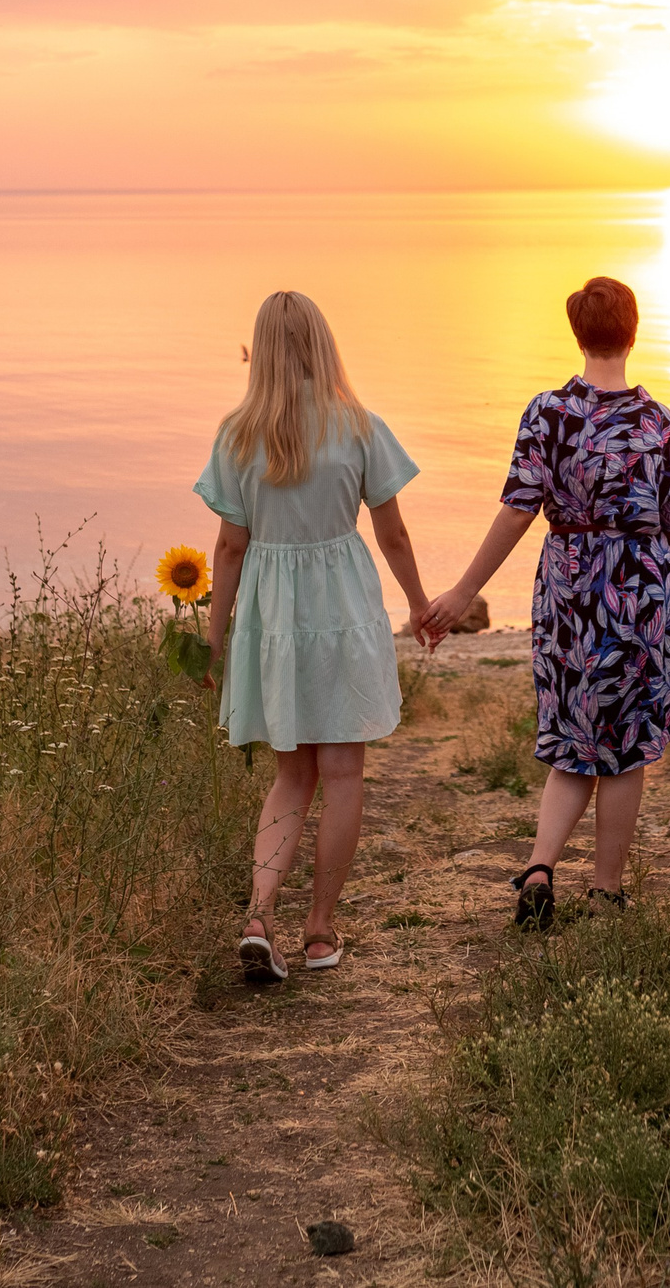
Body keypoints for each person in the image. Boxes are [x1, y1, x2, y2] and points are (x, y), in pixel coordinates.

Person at [420, 276, 670, 926]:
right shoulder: (659, 424)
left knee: (574, 736)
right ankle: (604, 891)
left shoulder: (547, 412)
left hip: (568, 587)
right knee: (625, 750)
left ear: (577, 332)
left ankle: (540, 867)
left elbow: (517, 512)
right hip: (640, 588)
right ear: (634, 329)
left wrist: (464, 589)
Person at [198, 290, 433, 984]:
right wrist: (421, 604)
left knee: (290, 776)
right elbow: (391, 532)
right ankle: (320, 930)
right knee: (343, 773)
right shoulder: (358, 425)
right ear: (323, 344)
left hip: (274, 621)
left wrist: (215, 640)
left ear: (261, 348)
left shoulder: (237, 434)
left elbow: (229, 549)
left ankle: (258, 914)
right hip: (342, 611)